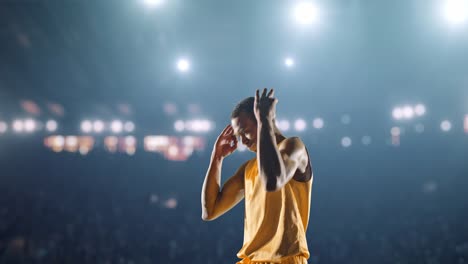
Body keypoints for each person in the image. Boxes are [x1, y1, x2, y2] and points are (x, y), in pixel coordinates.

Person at [201, 88, 313, 264]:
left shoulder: (293, 146)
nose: (242, 141)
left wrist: (265, 121)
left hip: (284, 259)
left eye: (245, 131)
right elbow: (210, 211)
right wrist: (216, 158)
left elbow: (272, 180)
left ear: (263, 120)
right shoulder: (249, 168)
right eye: (239, 135)